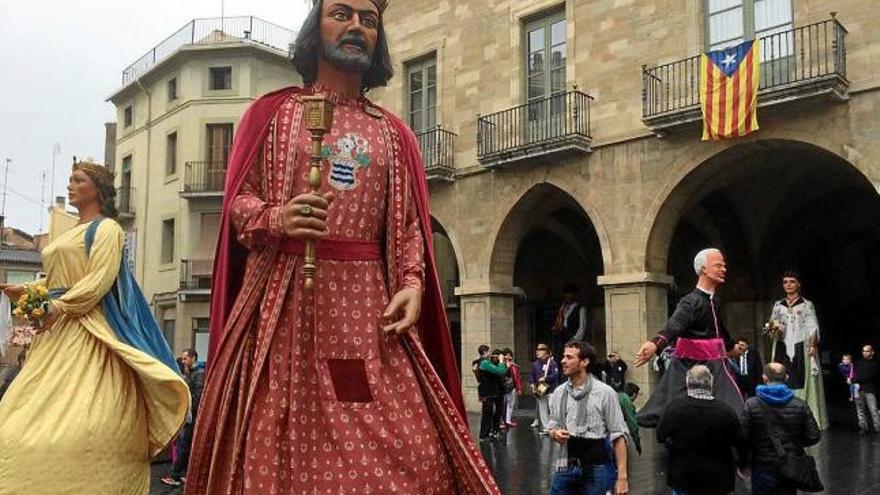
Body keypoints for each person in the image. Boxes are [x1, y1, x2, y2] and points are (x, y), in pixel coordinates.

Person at [185, 2, 500, 493]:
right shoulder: (270, 115)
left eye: (369, 20)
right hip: (282, 305)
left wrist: (414, 284)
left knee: (413, 455)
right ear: (317, 27)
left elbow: (411, 223)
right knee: (274, 445)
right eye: (342, 14)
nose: (356, 26)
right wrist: (277, 217)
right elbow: (239, 202)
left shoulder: (394, 134)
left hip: (368, 313)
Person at [0, 161, 189, 493]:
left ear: (97, 188)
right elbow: (61, 279)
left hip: (87, 331)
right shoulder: (71, 231)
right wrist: (31, 292)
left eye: (78, 179)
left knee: (86, 423)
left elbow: (98, 281)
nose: (71, 185)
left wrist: (57, 306)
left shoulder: (108, 230)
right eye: (70, 179)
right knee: (15, 420)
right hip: (55, 335)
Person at [634, 248, 743, 427]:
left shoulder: (714, 301)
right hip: (691, 368)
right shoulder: (691, 301)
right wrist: (656, 344)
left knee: (733, 414)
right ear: (703, 269)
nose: (724, 269)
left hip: (716, 367)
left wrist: (731, 348)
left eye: (724, 265)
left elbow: (719, 331)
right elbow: (674, 325)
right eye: (718, 265)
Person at [548, 341, 629, 495]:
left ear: (584, 362)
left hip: (598, 469)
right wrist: (555, 433)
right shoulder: (559, 392)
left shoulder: (605, 393)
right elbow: (553, 425)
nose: (563, 361)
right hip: (566, 466)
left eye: (569, 357)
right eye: (563, 356)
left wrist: (622, 478)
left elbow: (618, 435)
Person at [656, 365, 746, 495]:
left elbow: (660, 435)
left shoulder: (675, 408)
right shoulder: (726, 411)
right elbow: (740, 442)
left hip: (683, 477)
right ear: (711, 383)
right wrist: (742, 465)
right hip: (717, 480)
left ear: (687, 383)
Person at [740, 363, 821, 495]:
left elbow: (743, 438)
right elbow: (814, 435)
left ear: (764, 378)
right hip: (790, 465)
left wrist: (743, 463)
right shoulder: (799, 404)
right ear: (787, 377)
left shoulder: (751, 405)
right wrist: (794, 443)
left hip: (762, 465)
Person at [768, 271, 828, 429]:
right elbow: (772, 325)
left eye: (792, 281)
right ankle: (780, 417)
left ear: (798, 284)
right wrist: (774, 329)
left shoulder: (806, 304)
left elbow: (812, 325)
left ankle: (807, 418)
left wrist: (812, 343)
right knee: (781, 378)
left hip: (801, 346)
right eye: (785, 282)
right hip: (782, 346)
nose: (788, 284)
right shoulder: (778, 305)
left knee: (802, 379)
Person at [162, 349, 205, 486]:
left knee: (183, 445)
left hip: (190, 415)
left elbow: (196, 396)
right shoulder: (192, 373)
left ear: (193, 358)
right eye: (182, 359)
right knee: (184, 445)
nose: (183, 361)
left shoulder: (198, 374)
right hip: (188, 414)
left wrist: (186, 407)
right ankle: (183, 474)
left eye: (185, 359)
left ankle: (175, 476)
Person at [477, 349, 508, 441]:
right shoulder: (484, 363)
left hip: (489, 391)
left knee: (490, 413)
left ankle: (488, 433)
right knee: (487, 413)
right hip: (486, 392)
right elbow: (500, 371)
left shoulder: (486, 363)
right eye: (488, 352)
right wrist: (502, 361)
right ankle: (483, 435)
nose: (490, 354)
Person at [551, 284, 587, 361]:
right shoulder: (563, 307)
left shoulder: (580, 308)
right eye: (566, 294)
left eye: (569, 294)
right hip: (562, 337)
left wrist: (574, 339)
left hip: (573, 337)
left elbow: (582, 327)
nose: (567, 296)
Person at [531, 343, 560, 433]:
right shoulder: (535, 364)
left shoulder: (552, 363)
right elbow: (532, 375)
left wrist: (546, 378)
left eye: (541, 350)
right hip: (540, 388)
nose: (538, 352)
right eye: (537, 350)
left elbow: (555, 375)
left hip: (551, 388)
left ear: (546, 353)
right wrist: (532, 384)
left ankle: (554, 426)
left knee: (552, 408)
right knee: (542, 408)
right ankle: (546, 427)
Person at [853, 345, 880, 434]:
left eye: (867, 351)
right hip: (859, 389)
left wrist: (858, 379)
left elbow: (871, 376)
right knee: (860, 410)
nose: (864, 353)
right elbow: (854, 374)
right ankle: (863, 428)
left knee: (874, 410)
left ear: (872, 352)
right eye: (863, 351)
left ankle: (877, 428)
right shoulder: (858, 363)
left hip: (870, 389)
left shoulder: (875, 363)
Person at [617, 383, 641, 455]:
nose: (636, 398)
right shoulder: (627, 401)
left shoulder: (618, 395)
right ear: (634, 394)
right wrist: (637, 443)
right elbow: (632, 424)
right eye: (636, 395)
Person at [502, 348, 522, 427]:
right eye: (506, 355)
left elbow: (518, 378)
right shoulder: (502, 365)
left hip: (512, 387)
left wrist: (519, 388)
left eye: (510, 356)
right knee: (503, 404)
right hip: (504, 387)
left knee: (511, 404)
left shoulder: (514, 366)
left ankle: (508, 420)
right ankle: (503, 421)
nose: (508, 357)